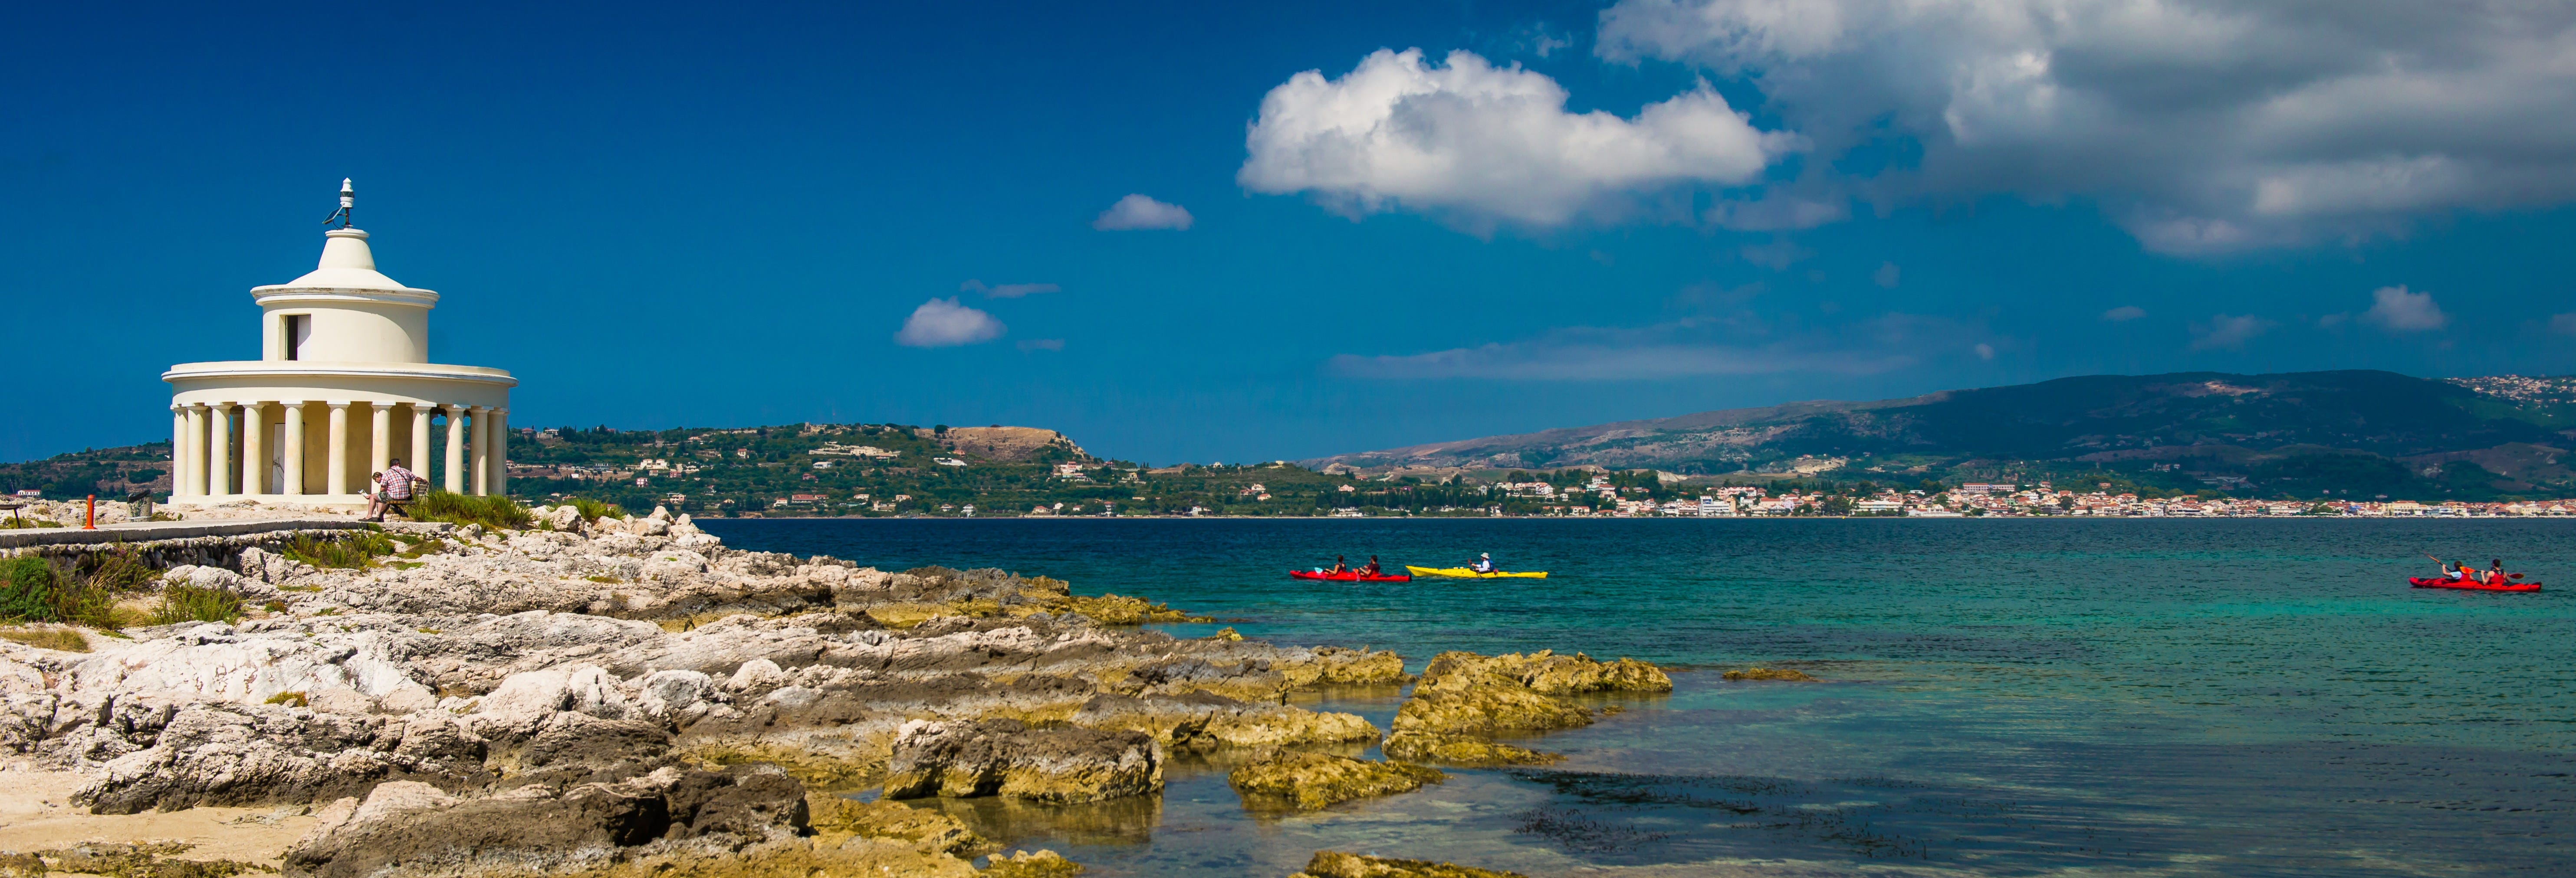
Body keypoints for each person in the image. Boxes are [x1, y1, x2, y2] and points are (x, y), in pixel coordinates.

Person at [363, 458, 421, 522]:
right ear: (398, 464)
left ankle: (369, 516)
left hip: (394, 497)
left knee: (374, 497)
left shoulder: (387, 473)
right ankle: (379, 517)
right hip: (407, 497)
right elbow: (417, 479)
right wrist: (423, 481)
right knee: (382, 497)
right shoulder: (406, 471)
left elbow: (383, 490)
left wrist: (373, 495)